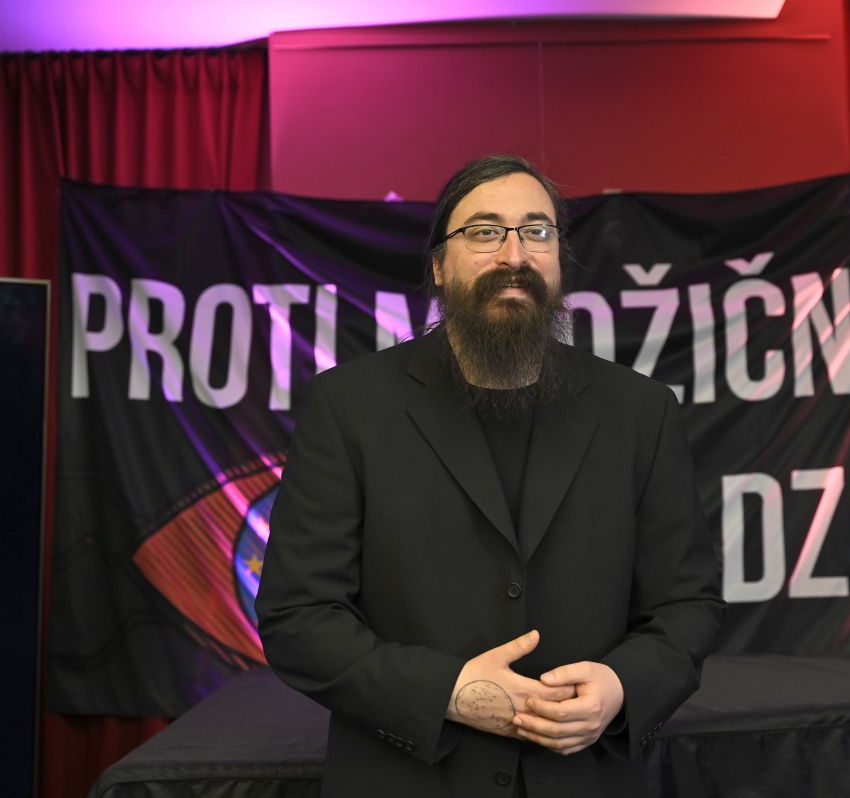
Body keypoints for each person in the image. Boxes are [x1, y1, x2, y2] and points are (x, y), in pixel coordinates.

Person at [256, 154, 724, 797]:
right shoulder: (349, 407)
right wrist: (449, 693)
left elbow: (687, 606)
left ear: (559, 259)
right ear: (438, 266)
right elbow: (298, 617)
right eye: (484, 231)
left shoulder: (640, 412)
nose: (514, 254)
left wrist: (621, 687)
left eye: (537, 231)